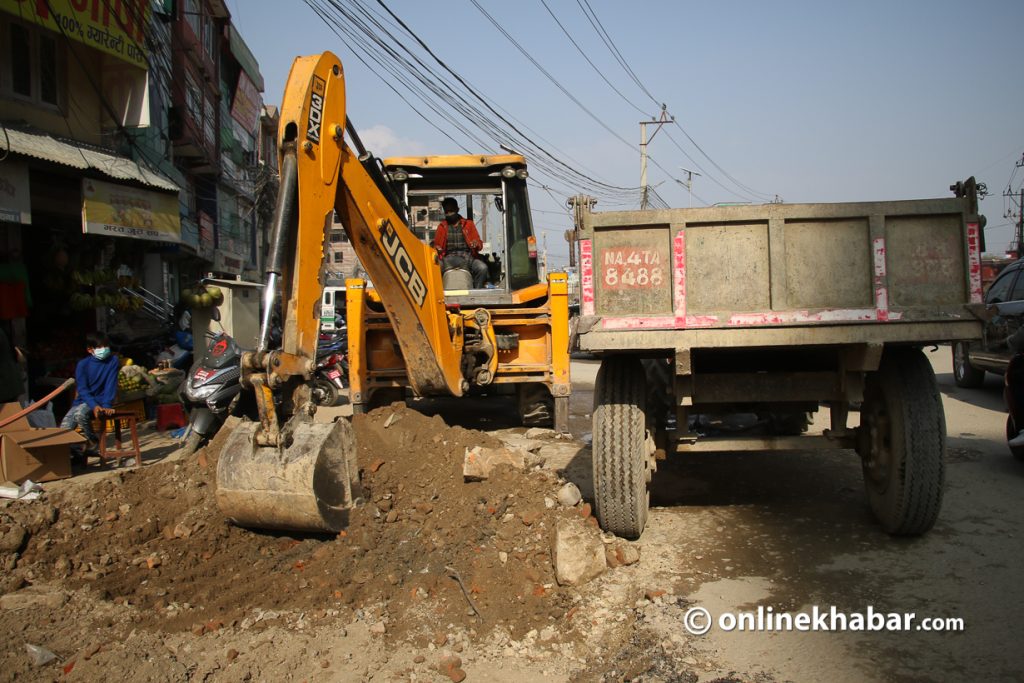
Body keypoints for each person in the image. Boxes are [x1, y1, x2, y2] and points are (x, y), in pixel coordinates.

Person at [60, 333, 119, 461]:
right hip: (84, 401)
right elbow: (82, 389)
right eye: (100, 347)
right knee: (63, 431)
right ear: (90, 349)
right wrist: (94, 405)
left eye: (106, 346)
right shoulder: (83, 365)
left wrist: (107, 404)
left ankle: (93, 442)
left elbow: (111, 384)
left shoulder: (113, 361)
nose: (104, 349)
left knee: (81, 414)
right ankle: (77, 454)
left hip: (100, 400)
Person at [433, 197, 489, 289]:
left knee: (482, 268)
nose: (449, 214)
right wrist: (437, 248)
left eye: (451, 211)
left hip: (467, 259)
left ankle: (476, 291)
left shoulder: (468, 224)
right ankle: (438, 292)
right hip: (447, 260)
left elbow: (479, 244)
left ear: (457, 209)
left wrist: (475, 243)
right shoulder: (442, 227)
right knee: (433, 270)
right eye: (446, 212)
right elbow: (436, 246)